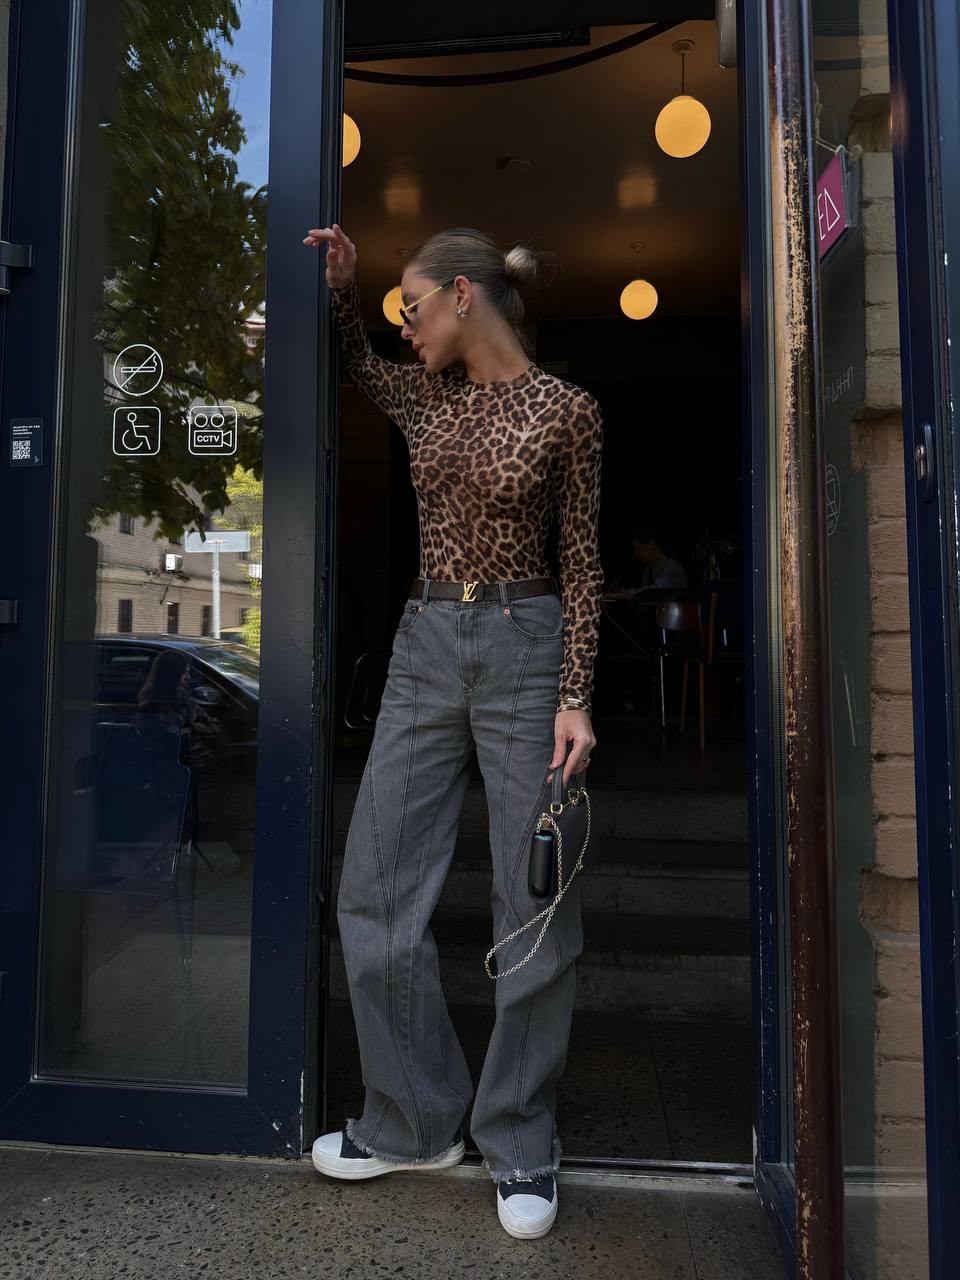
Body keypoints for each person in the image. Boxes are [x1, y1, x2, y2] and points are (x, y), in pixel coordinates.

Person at [302, 223, 603, 1240]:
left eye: (411, 306)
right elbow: (349, 359)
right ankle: (414, 1115)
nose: (405, 326)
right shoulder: (423, 396)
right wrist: (347, 290)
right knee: (374, 883)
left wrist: (576, 691)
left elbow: (586, 561)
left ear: (464, 297)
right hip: (427, 637)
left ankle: (520, 1136)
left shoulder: (568, 411)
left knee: (531, 898)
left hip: (528, 640)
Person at [605, 526, 687, 599]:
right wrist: (624, 592)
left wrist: (627, 595)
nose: (636, 554)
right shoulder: (648, 569)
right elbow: (642, 599)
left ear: (651, 544)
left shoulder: (672, 567)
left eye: (639, 548)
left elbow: (653, 593)